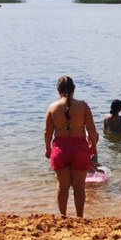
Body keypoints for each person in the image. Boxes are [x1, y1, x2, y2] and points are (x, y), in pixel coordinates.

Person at [45, 76, 99, 218]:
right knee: (79, 187)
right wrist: (93, 146)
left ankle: (62, 216)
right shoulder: (83, 106)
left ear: (58, 91)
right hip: (80, 148)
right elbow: (92, 130)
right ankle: (79, 217)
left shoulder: (52, 108)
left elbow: (47, 133)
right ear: (74, 90)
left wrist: (48, 150)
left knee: (62, 187)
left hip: (60, 148)